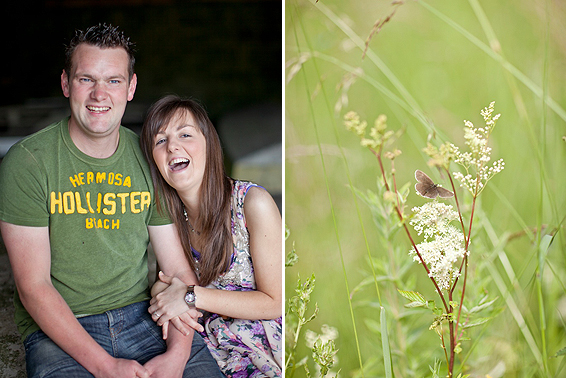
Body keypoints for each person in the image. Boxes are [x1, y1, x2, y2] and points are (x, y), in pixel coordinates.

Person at [0, 24, 223, 378]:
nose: (99, 94)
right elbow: (34, 287)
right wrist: (105, 367)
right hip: (60, 329)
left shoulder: (150, 157)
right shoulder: (28, 162)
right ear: (65, 83)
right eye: (86, 79)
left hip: (145, 317)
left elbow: (178, 272)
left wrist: (177, 357)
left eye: (114, 81)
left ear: (131, 87)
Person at [140, 95, 283, 377]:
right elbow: (166, 285)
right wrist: (162, 293)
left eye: (185, 134)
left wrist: (192, 297)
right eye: (160, 141)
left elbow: (275, 302)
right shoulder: (166, 217)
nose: (173, 147)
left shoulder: (253, 204)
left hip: (261, 352)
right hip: (206, 347)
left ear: (208, 143)